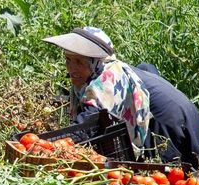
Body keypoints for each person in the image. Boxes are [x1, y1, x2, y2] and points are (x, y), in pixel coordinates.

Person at [43, 27, 152, 156]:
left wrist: (49, 144)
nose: (71, 68)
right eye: (68, 60)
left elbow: (87, 125)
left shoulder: (107, 80)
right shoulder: (89, 77)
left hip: (126, 150)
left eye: (79, 62)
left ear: (96, 62)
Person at [132, 63, 199, 168]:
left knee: (174, 169)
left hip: (170, 119)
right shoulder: (149, 76)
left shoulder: (126, 77)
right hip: (189, 113)